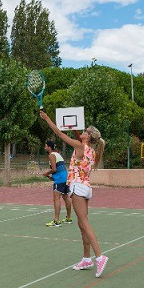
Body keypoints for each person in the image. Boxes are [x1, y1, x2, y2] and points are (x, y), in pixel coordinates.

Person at [39, 110, 108, 278]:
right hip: (86, 187)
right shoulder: (92, 151)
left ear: (88, 136)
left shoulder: (80, 146)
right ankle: (86, 259)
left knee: (84, 223)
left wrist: (47, 118)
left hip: (78, 187)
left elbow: (59, 134)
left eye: (84, 131)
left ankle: (100, 257)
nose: (82, 132)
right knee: (81, 224)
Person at [42, 140, 72, 227]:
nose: (45, 148)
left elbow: (54, 169)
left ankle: (56, 221)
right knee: (66, 197)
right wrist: (51, 177)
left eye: (46, 146)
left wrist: (46, 173)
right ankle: (68, 218)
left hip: (60, 179)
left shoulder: (51, 155)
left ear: (49, 147)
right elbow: (59, 168)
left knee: (56, 199)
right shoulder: (58, 154)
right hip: (65, 177)